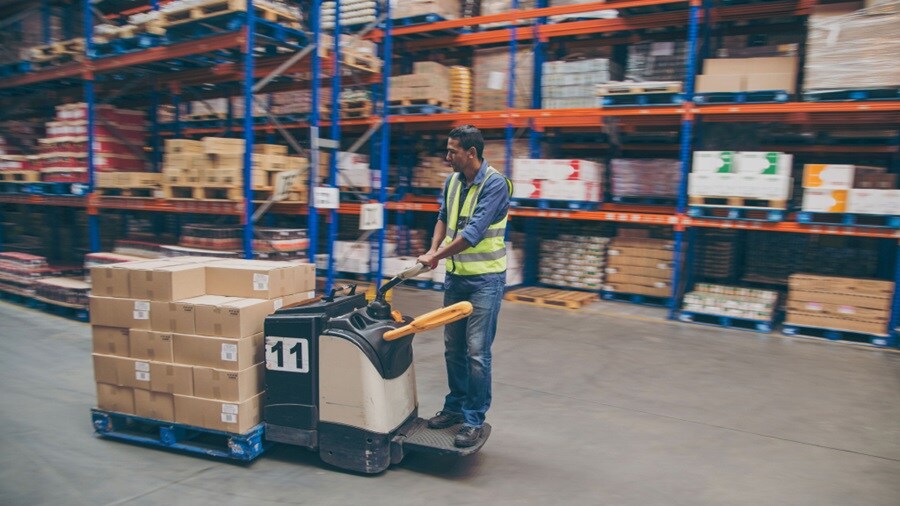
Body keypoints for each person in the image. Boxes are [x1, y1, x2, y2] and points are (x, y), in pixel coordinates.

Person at [417, 125, 512, 448]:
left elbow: (472, 234)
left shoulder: (495, 184)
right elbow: (443, 217)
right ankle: (455, 407)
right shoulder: (452, 182)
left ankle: (473, 418)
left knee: (476, 352)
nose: (447, 157)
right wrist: (433, 250)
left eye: (452, 151)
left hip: (486, 280)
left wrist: (435, 257)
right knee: (453, 348)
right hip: (456, 278)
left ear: (471, 153)